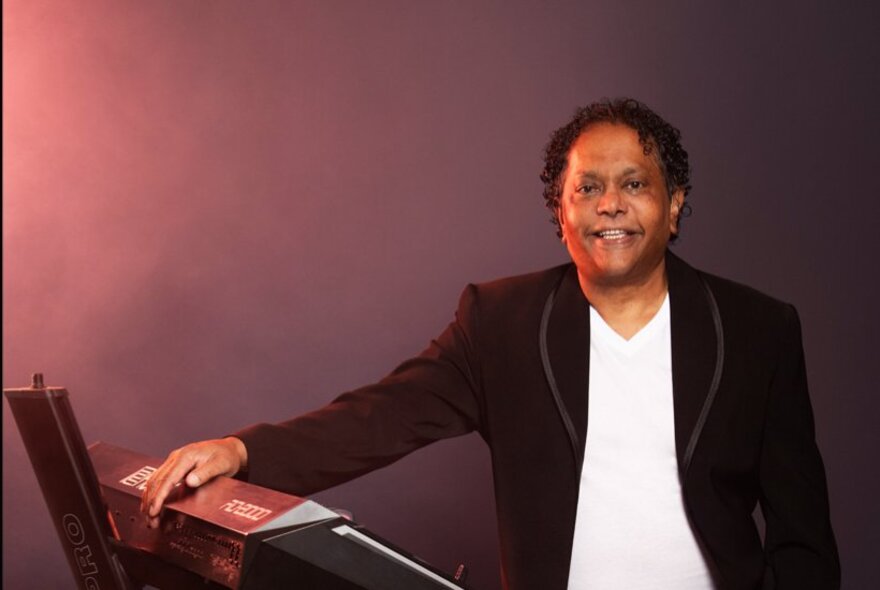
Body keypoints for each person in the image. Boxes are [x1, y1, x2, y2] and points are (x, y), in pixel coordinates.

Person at [142, 98, 840, 589]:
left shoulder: (759, 330)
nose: (611, 205)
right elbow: (379, 416)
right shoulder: (500, 322)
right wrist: (243, 451)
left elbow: (802, 535)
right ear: (559, 211)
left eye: (636, 184)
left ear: (675, 203)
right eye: (587, 187)